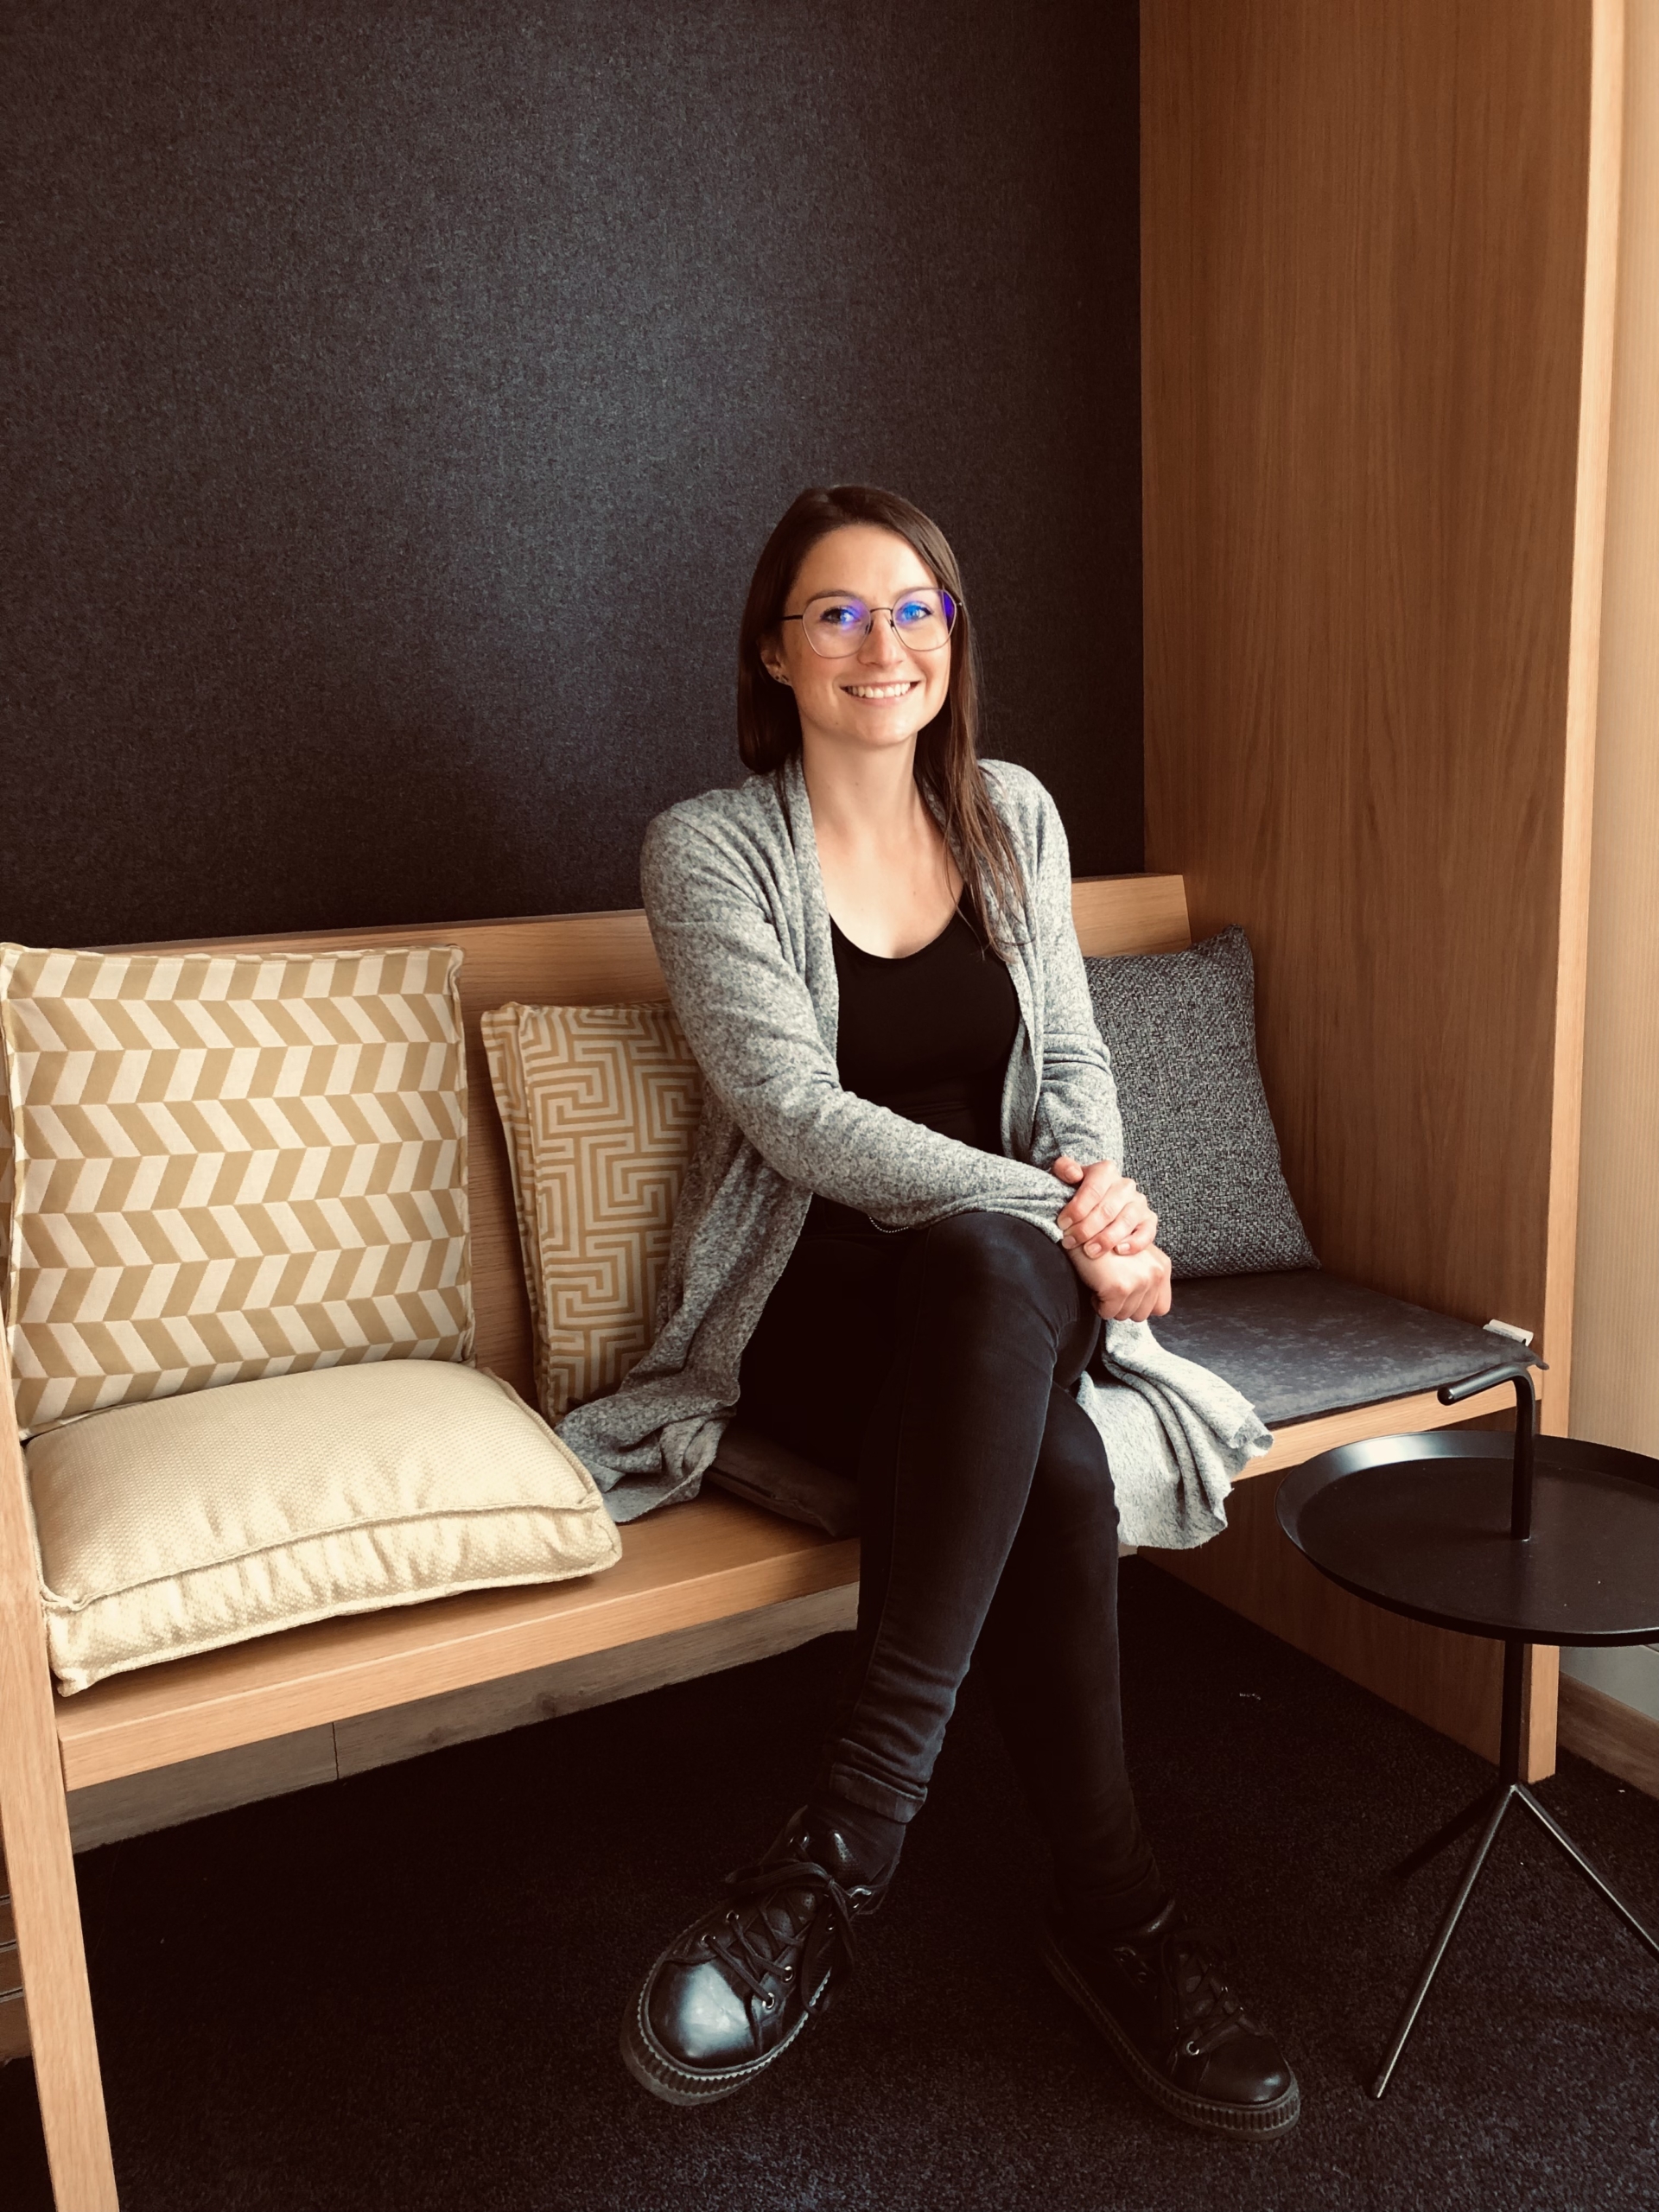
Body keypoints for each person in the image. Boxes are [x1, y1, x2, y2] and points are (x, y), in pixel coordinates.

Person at [595, 485, 1298, 2135]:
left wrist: (1102, 1193)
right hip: (812, 1302)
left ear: (954, 638)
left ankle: (835, 1858)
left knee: (993, 1283)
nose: (883, 642)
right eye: (837, 612)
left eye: (916, 608)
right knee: (1046, 1441)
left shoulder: (1012, 818)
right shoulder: (707, 849)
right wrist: (1063, 1219)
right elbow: (797, 1119)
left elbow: (1074, 1062)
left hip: (1008, 1289)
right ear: (775, 652)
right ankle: (1116, 1919)